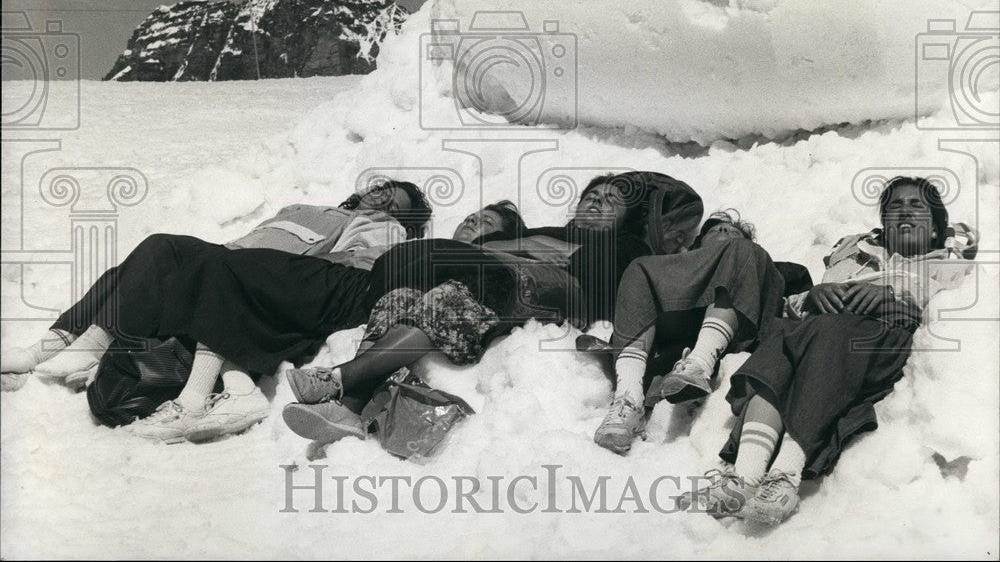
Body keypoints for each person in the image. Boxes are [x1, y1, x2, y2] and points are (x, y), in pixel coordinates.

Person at [680, 176, 978, 525]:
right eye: (895, 206)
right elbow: (791, 306)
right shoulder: (854, 252)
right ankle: (744, 476)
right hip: (819, 330)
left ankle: (785, 475)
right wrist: (813, 296)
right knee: (782, 342)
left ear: (933, 229)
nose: (905, 212)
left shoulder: (948, 262)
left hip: (881, 339)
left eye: (917, 206)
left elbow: (947, 310)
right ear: (883, 222)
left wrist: (892, 297)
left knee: (830, 333)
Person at [281, 175, 654, 446]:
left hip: (562, 292)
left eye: (610, 201)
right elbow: (484, 246)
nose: (596, 202)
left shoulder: (626, 243)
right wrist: (533, 243)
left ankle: (340, 377)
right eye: (592, 195)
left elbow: (592, 269)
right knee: (403, 292)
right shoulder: (547, 230)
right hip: (500, 275)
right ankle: (349, 409)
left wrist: (527, 249)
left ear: (626, 219)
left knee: (467, 284)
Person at [126, 200, 512, 444]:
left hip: (356, 288)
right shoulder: (427, 249)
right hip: (363, 283)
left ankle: (204, 396)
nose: (471, 222)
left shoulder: (490, 264)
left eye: (485, 223)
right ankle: (237, 386)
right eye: (472, 216)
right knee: (233, 269)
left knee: (236, 268)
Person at [0, 179, 429, 391]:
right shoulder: (306, 206)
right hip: (224, 255)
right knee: (129, 271)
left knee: (161, 246)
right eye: (386, 190)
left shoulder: (374, 224)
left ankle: (94, 342)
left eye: (396, 204)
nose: (385, 199)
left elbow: (356, 267)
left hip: (244, 273)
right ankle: (54, 343)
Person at [593, 210, 785, 454]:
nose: (724, 230)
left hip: (740, 327)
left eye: (734, 231)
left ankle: (699, 364)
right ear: (700, 242)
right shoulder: (665, 269)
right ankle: (627, 401)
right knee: (638, 266)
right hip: (677, 323)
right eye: (715, 230)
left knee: (742, 253)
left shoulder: (759, 258)